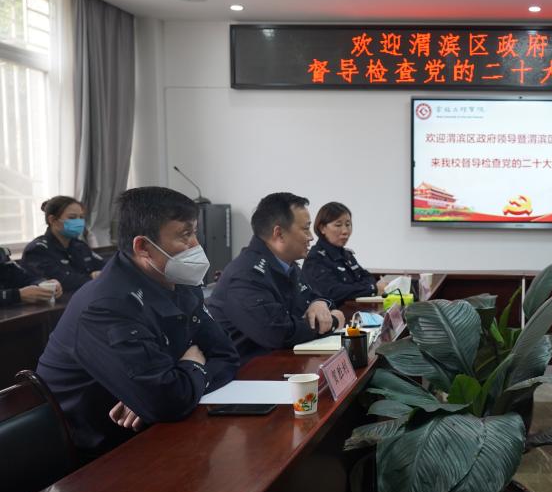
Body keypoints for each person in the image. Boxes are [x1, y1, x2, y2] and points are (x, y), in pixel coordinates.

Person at [36, 187, 239, 458]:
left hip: (154, 427)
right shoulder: (106, 305)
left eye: (195, 232)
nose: (196, 246)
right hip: (95, 450)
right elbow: (166, 401)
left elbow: (226, 356)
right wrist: (190, 365)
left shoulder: (179, 282)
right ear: (143, 247)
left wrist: (158, 390)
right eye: (185, 235)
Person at [208, 192, 345, 363]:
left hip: (283, 362)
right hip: (248, 372)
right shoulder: (245, 276)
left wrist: (320, 303)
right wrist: (332, 322)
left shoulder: (288, 266)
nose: (311, 237)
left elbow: (313, 297)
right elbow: (278, 333)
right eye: (305, 229)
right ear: (279, 233)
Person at [301, 202, 387, 303]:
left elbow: (368, 277)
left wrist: (364, 287)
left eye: (348, 224)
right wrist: (372, 288)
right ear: (322, 228)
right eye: (338, 225)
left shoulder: (347, 255)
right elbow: (334, 292)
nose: (345, 231)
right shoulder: (315, 259)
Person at [22, 196, 106, 295]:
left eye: (81, 217)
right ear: (52, 220)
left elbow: (106, 267)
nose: (79, 222)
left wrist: (99, 274)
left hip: (87, 296)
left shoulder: (80, 246)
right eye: (72, 218)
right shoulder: (38, 250)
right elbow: (64, 281)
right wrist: (92, 277)